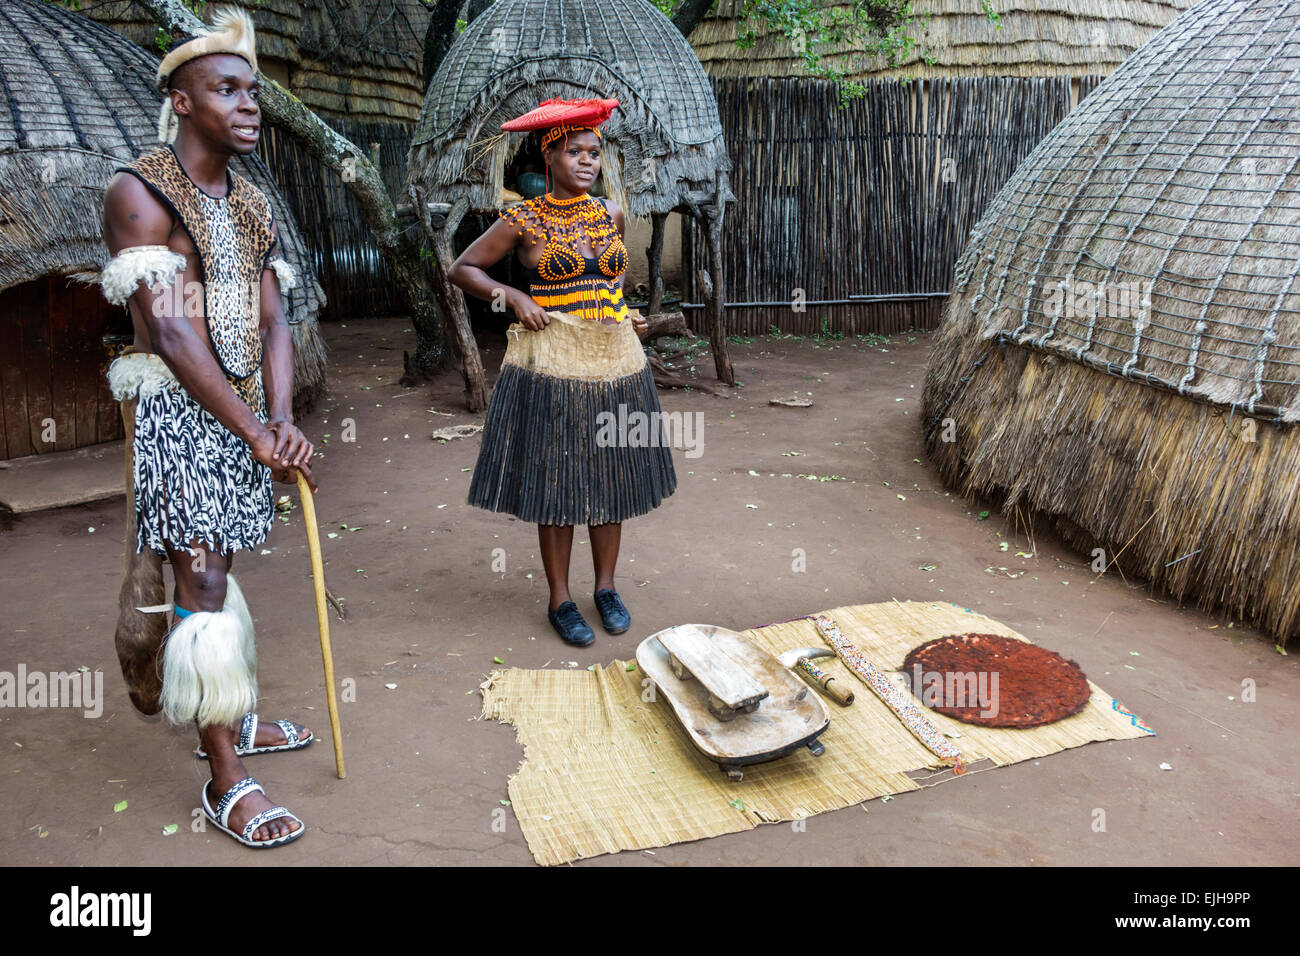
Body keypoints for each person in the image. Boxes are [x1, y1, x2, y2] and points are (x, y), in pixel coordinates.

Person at [100, 7, 315, 848]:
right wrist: (254, 428)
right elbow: (172, 328)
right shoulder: (140, 190)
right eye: (226, 89)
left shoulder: (251, 204)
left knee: (216, 567)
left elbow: (274, 323)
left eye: (251, 91)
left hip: (239, 418)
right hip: (179, 419)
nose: (248, 104)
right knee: (201, 579)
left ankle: (236, 712)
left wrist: (283, 417)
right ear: (182, 102)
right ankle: (226, 778)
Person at [450, 97, 677, 647]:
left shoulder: (611, 214)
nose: (586, 162)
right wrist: (510, 296)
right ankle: (560, 599)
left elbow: (608, 283)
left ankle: (606, 589)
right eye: (574, 152)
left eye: (594, 153)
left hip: (615, 362)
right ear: (549, 156)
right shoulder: (522, 220)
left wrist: (626, 313)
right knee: (558, 480)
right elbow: (463, 269)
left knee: (612, 477)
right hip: (552, 364)